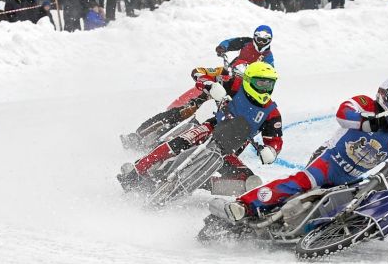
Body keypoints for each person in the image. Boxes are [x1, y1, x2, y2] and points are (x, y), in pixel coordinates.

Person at [220, 75, 388, 223]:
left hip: (352, 178)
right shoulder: (366, 104)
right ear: (385, 96)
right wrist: (372, 122)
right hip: (328, 161)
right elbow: (343, 114)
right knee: (301, 183)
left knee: (351, 199)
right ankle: (244, 206)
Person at [118, 61, 284, 194]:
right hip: (211, 129)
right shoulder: (234, 84)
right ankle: (136, 172)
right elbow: (198, 72)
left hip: (228, 151)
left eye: (269, 84)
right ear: (248, 80)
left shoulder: (271, 113)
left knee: (249, 182)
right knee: (176, 144)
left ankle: (201, 183)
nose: (265, 88)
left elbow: (275, 139)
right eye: (261, 83)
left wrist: (271, 150)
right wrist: (210, 86)